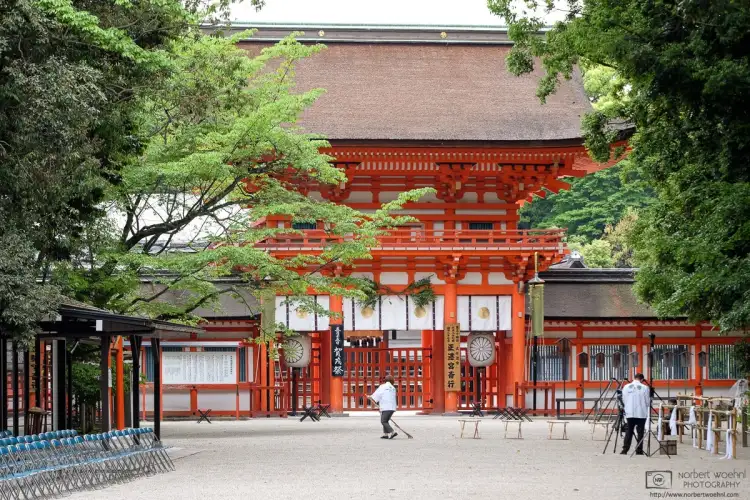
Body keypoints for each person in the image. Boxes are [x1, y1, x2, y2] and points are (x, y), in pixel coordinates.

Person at [621, 373, 650, 455]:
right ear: (642, 380)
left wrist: (628, 406)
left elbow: (624, 399)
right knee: (640, 432)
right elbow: (647, 402)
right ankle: (639, 450)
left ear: (634, 378)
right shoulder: (645, 387)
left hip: (630, 412)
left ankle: (625, 450)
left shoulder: (626, 387)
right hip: (641, 412)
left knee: (629, 431)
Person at [369, 374, 398, 439]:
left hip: (386, 407)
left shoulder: (383, 386)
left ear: (385, 380)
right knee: (386, 421)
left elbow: (377, 395)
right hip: (392, 407)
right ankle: (385, 434)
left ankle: (392, 432)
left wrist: (371, 397)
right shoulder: (393, 388)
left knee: (383, 421)